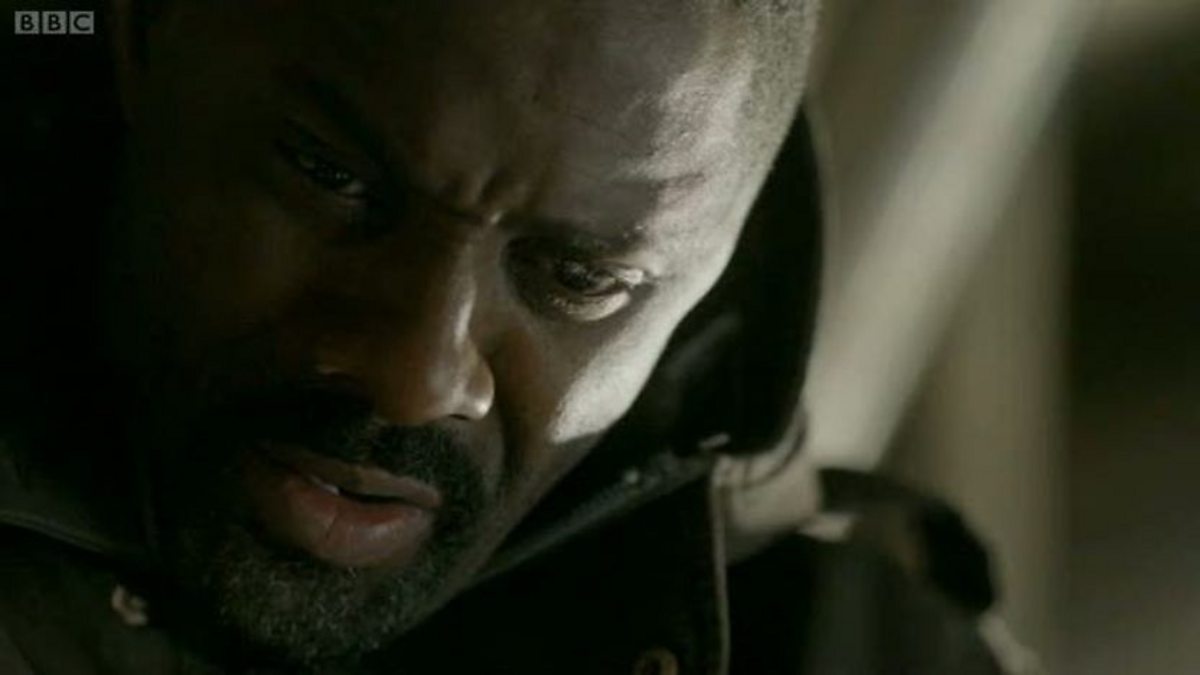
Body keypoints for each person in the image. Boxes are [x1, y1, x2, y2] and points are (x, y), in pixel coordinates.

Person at [0, 0, 1007, 673]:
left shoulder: (860, 648)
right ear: (143, 30)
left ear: (717, 270)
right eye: (330, 176)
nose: (413, 377)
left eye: (580, 278)